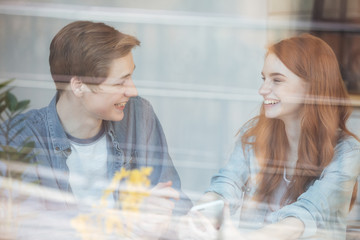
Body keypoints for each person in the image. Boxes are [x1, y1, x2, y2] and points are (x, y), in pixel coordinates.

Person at [0, 21, 192, 239]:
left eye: (130, 76)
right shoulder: (18, 136)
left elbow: (176, 205)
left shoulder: (139, 116)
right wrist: (129, 221)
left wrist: (162, 219)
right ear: (78, 86)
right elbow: (26, 229)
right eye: (120, 83)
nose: (132, 91)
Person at [181, 34, 360, 240]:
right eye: (264, 79)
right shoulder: (256, 137)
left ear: (312, 86)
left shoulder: (347, 152)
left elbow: (305, 215)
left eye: (277, 80)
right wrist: (199, 215)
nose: (263, 90)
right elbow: (226, 184)